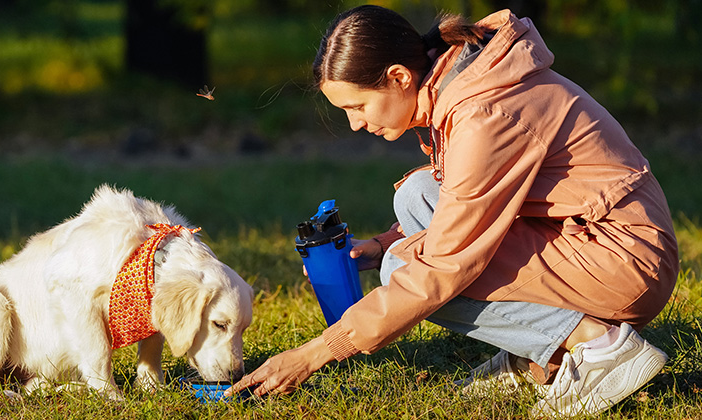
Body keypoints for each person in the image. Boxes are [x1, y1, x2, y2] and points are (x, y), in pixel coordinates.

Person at [226, 5, 678, 417]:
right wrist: (381, 244)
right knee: (419, 193)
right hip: (594, 240)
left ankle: (599, 347)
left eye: (357, 106)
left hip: (626, 262)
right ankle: (539, 352)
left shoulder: (484, 114)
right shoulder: (465, 85)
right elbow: (470, 203)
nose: (355, 123)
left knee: (406, 269)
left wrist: (317, 351)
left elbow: (444, 265)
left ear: (400, 77)